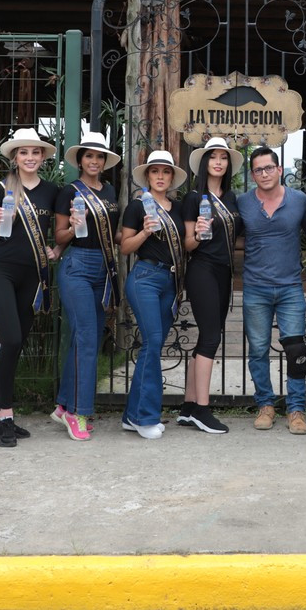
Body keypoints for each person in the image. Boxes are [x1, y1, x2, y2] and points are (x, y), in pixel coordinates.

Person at [0, 128, 60, 448]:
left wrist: (58, 250)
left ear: (42, 157)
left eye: (35, 152)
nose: (30, 158)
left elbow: (60, 232)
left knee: (16, 345)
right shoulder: (1, 188)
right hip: (1, 272)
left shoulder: (52, 191)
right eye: (24, 152)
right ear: (15, 157)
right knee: (11, 338)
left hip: (34, 276)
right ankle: (7, 417)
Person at [237, 146, 306, 435]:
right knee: (257, 350)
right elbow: (229, 237)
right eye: (258, 169)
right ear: (253, 174)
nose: (264, 173)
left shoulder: (299, 201)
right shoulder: (243, 203)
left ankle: (296, 409)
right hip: (255, 287)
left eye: (269, 168)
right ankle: (265, 405)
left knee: (295, 350)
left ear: (279, 170)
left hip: (290, 287)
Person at [52, 131, 121, 442]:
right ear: (80, 160)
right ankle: (79, 413)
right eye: (89, 156)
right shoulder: (69, 191)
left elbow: (114, 234)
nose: (94, 161)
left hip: (102, 267)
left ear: (104, 161)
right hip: (76, 266)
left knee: (83, 338)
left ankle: (64, 406)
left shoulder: (110, 191)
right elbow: (59, 236)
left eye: (99, 156)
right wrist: (74, 228)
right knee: (89, 339)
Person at [121, 150, 187, 439]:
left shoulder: (179, 208)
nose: (160, 176)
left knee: (152, 346)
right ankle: (144, 417)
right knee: (152, 342)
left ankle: (131, 415)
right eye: (155, 171)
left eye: (166, 172)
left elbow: (187, 245)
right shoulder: (137, 207)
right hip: (145, 278)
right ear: (147, 176)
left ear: (172, 177)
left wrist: (198, 231)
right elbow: (125, 247)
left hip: (170, 281)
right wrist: (146, 233)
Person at [178, 137, 243, 435]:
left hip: (223, 271)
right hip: (201, 269)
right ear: (204, 162)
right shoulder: (194, 197)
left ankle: (189, 407)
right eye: (213, 157)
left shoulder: (231, 198)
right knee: (210, 336)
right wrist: (200, 233)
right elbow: (187, 244)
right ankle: (203, 410)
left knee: (209, 334)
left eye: (224, 157)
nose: (218, 162)